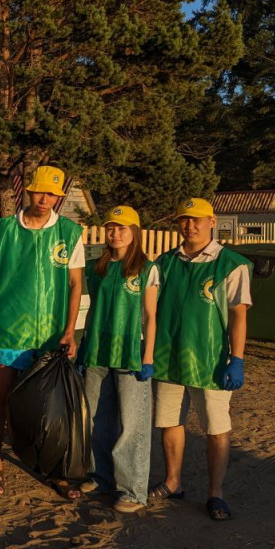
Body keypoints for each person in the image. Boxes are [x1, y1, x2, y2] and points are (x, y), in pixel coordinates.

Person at [0, 165, 84, 499]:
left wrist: (69, 331)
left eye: (52, 194)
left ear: (59, 196)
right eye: (40, 191)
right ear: (28, 191)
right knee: (2, 397)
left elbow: (74, 285)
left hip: (50, 334)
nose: (45, 199)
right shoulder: (2, 229)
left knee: (53, 406)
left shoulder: (70, 232)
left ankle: (57, 470)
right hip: (9, 329)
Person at [150, 198, 252, 522]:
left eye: (196, 220)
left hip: (211, 360)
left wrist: (236, 358)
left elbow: (238, 315)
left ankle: (215, 493)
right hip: (169, 358)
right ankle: (173, 481)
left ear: (212, 221)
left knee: (216, 428)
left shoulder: (230, 264)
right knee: (170, 422)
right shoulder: (164, 262)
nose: (189, 226)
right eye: (183, 220)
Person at [77, 206, 159, 514]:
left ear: (135, 232)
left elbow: (150, 316)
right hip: (99, 349)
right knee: (96, 418)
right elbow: (90, 307)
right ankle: (100, 477)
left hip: (130, 353)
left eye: (123, 228)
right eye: (111, 227)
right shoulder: (96, 266)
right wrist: (85, 346)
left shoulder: (145, 268)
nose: (116, 233)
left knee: (131, 424)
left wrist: (147, 356)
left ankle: (132, 489)